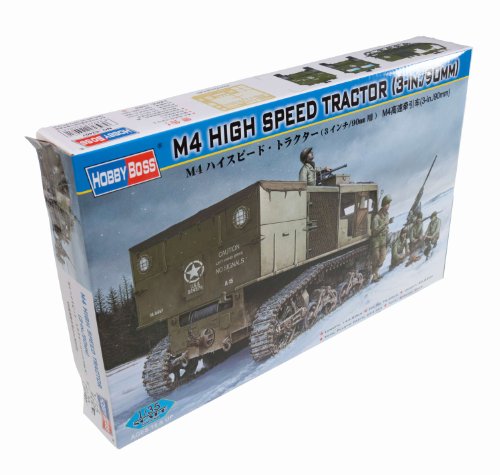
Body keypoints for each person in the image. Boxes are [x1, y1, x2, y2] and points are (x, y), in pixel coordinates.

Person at [370, 194, 393, 282]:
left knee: (382, 258)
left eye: (389, 204)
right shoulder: (376, 217)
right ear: (383, 205)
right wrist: (385, 224)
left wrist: (387, 228)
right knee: (375, 259)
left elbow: (386, 227)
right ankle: (374, 275)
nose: (388, 206)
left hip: (383, 240)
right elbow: (374, 231)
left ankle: (376, 272)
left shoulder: (387, 215)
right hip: (376, 241)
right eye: (387, 204)